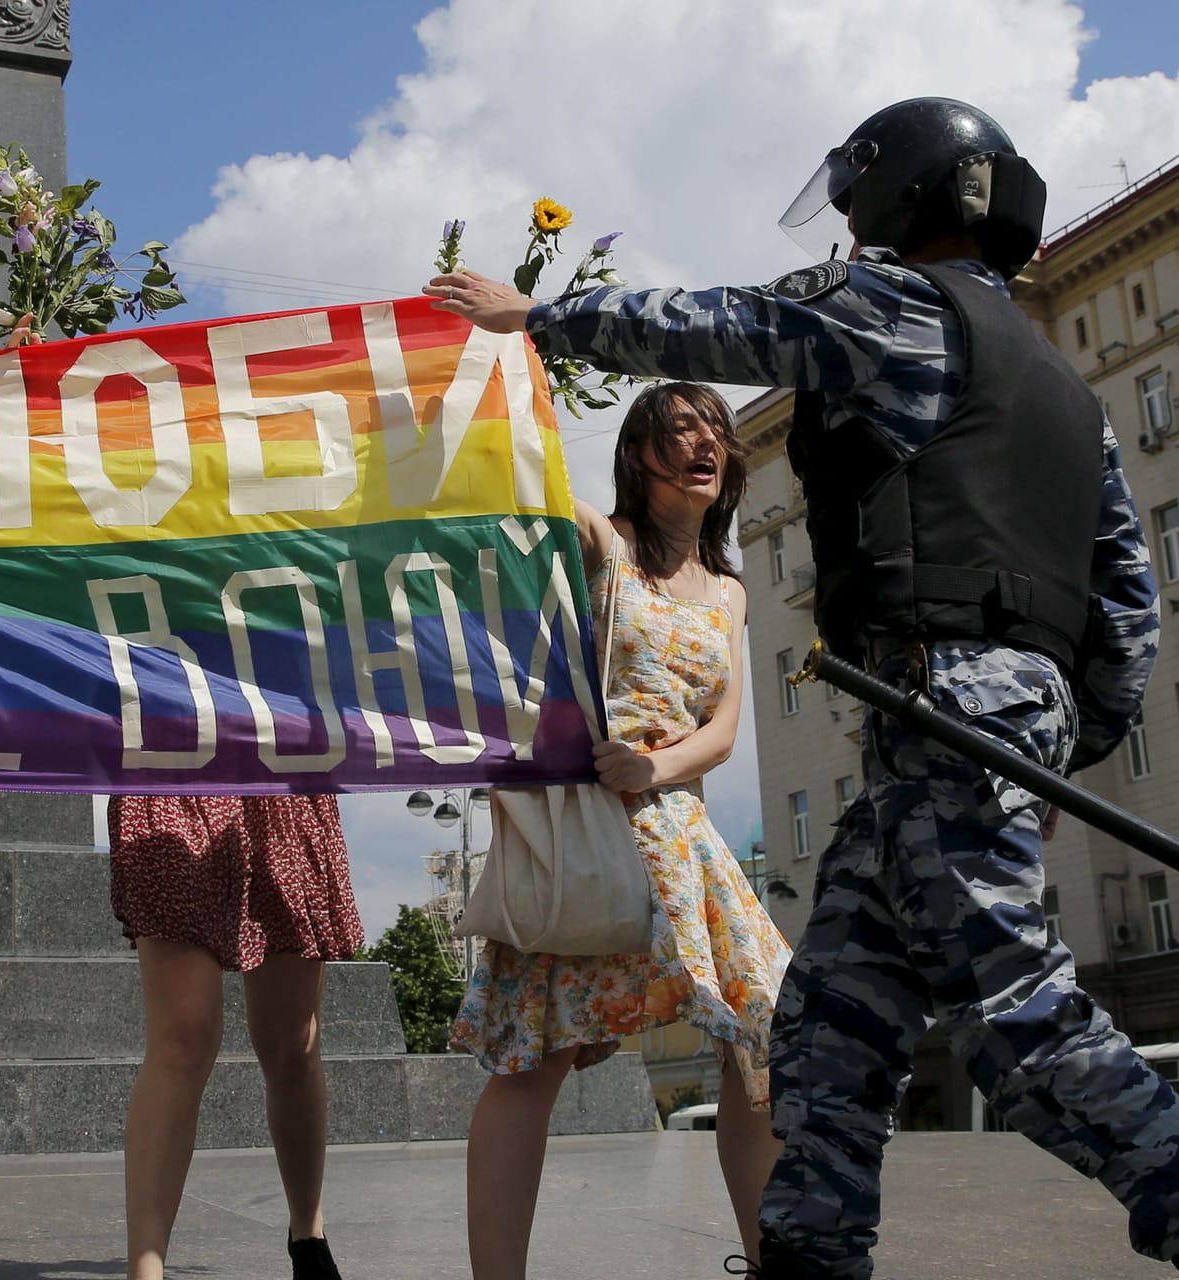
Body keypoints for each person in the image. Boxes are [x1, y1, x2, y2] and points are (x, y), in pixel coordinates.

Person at [427, 97, 1177, 1279]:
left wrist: (545, 317)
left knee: (1009, 1010)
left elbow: (735, 324)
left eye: (857, 192)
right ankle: (806, 1261)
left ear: (905, 192)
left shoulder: (891, 306)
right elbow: (1128, 607)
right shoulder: (1070, 392)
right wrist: (1052, 745)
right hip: (945, 732)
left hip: (943, 707)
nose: (844, 216)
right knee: (826, 1034)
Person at [451, 382, 789, 1277]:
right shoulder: (607, 543)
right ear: (640, 455)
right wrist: (512, 362)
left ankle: (769, 1261)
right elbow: (531, 492)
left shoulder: (729, 592)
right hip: (590, 830)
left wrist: (658, 767)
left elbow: (722, 729)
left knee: (764, 1027)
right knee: (535, 1057)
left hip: (681, 830)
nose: (702, 445)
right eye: (679, 431)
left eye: (713, 431)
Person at [111, 794, 364, 1280]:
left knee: (292, 1043)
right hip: (173, 763)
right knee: (183, 1034)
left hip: (277, 767)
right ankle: (145, 1269)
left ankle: (307, 1233)